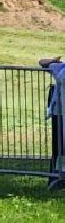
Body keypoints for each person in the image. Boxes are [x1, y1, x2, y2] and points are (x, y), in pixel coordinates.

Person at [41, 54, 65, 189]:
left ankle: (57, 179)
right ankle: (56, 179)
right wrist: (54, 62)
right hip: (59, 113)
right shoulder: (61, 68)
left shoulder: (61, 69)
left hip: (60, 112)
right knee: (59, 148)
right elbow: (42, 61)